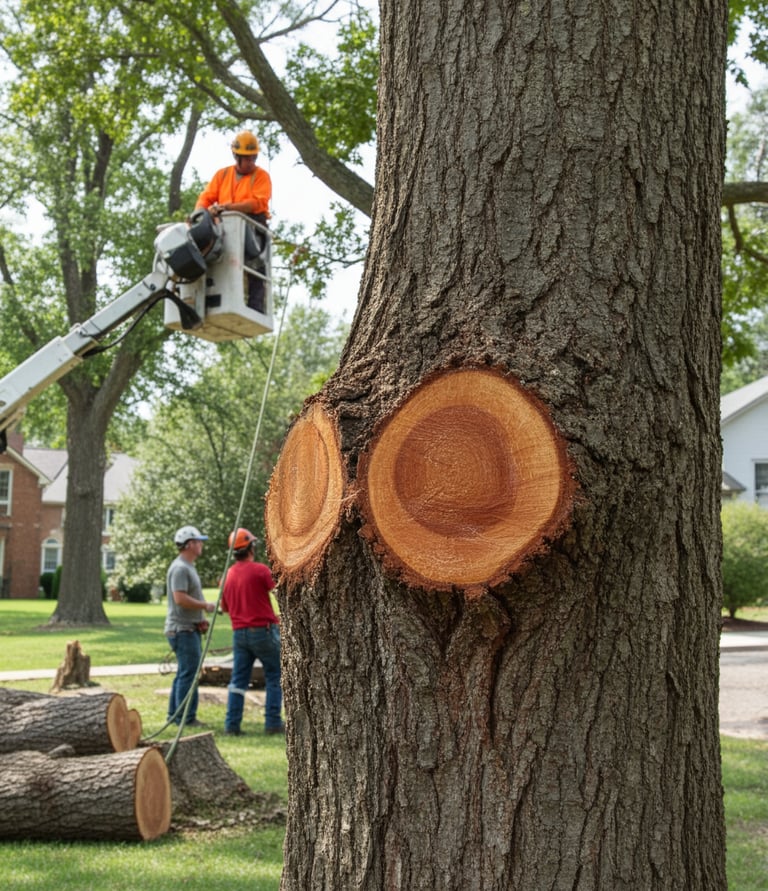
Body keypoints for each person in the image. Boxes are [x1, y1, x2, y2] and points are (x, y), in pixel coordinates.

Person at [195, 129, 272, 313]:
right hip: (226, 225)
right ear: (236, 156)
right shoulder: (222, 175)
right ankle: (206, 299)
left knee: (255, 265)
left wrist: (227, 207)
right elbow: (206, 198)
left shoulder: (261, 176)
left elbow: (256, 203)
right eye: (247, 158)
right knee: (214, 256)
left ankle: (255, 307)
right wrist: (199, 217)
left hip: (253, 225)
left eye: (253, 158)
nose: (251, 162)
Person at [221, 527, 283, 736]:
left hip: (239, 634)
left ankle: (232, 725)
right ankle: (273, 723)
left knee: (238, 680)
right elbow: (279, 593)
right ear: (250, 548)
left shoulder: (227, 576)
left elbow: (225, 608)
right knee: (274, 675)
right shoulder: (260, 571)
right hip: (263, 632)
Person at [164, 525, 217, 728]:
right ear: (189, 544)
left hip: (188, 628)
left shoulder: (187, 566)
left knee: (184, 673)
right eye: (198, 541)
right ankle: (186, 718)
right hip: (182, 630)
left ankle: (174, 715)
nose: (201, 544)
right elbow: (180, 598)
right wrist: (205, 606)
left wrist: (199, 619)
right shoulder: (180, 568)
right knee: (190, 674)